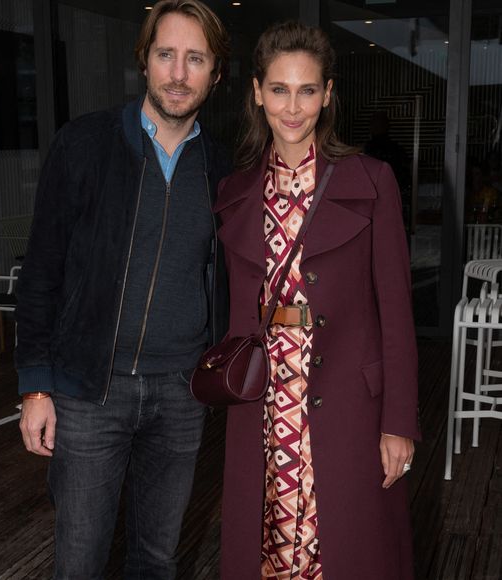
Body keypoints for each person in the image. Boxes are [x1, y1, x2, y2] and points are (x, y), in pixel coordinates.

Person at [15, 1, 230, 578]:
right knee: (79, 562)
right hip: (90, 389)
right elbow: (41, 272)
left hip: (182, 394)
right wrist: (36, 385)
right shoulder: (84, 145)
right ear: (144, 60)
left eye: (195, 59)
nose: (179, 74)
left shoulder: (223, 166)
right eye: (166, 55)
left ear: (215, 71)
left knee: (156, 560)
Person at [215, 22, 420, 580]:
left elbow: (397, 313)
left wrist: (398, 420)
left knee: (348, 551)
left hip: (348, 401)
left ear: (328, 94)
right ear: (257, 92)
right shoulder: (234, 193)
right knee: (270, 549)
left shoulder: (372, 181)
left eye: (307, 90)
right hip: (264, 400)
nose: (292, 107)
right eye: (279, 89)